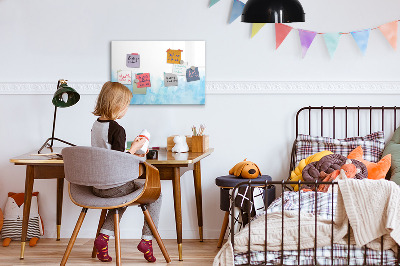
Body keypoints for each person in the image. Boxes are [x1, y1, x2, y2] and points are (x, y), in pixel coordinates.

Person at [91, 81, 161, 263]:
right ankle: (147, 240)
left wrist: (130, 149)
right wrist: (135, 149)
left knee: (122, 197)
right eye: (127, 105)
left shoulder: (96, 125)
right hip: (114, 186)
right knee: (156, 194)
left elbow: (108, 154)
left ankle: (103, 238)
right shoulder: (117, 129)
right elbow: (118, 161)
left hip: (97, 186)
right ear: (117, 105)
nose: (127, 109)